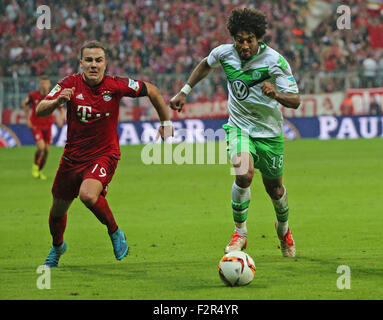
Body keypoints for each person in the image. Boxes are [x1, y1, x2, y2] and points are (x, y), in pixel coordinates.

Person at [170, 8, 300, 257]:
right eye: (239, 39)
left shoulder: (275, 61)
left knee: (275, 189)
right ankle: (240, 233)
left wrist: (276, 94)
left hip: (269, 133)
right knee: (244, 174)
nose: (244, 45)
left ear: (258, 38)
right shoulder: (224, 53)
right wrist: (184, 90)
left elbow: (295, 100)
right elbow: (205, 65)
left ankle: (283, 230)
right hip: (239, 127)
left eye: (249, 39)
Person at [36, 41, 174, 267]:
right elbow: (40, 109)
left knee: (88, 195)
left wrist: (166, 122)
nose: (93, 65)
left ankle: (115, 231)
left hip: (104, 154)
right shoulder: (68, 84)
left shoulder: (116, 85)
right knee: (57, 212)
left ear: (105, 63)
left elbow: (152, 90)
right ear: (81, 63)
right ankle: (58, 246)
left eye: (98, 60)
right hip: (72, 158)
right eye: (88, 60)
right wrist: (58, 101)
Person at [22, 75, 65, 180]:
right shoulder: (33, 95)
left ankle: (40, 171)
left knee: (46, 151)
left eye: (46, 83)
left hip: (48, 126)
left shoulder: (53, 96)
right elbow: (25, 104)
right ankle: (35, 166)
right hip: (36, 125)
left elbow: (61, 109)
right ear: (39, 84)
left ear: (49, 85)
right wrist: (27, 119)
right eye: (42, 83)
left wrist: (61, 119)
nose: (44, 85)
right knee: (41, 147)